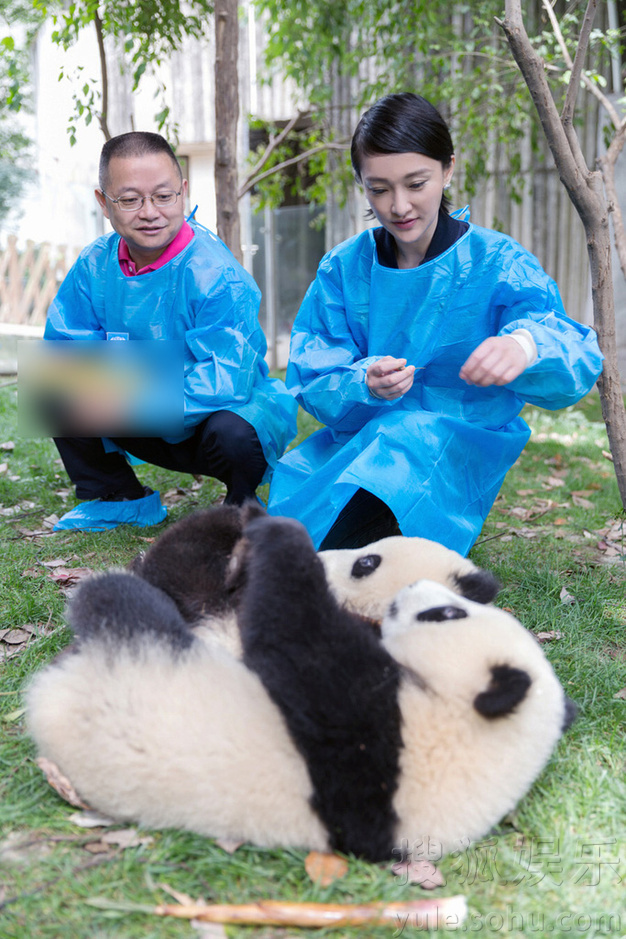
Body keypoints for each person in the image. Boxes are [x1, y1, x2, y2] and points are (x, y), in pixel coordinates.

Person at [267, 93, 603, 555]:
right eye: (379, 189)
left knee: (334, 546)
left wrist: (524, 346)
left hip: (456, 448)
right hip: (366, 443)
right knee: (290, 528)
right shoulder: (344, 268)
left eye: (416, 183)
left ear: (447, 169)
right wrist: (362, 380)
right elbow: (312, 371)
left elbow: (572, 353)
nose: (399, 206)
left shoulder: (498, 261)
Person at [43, 131, 297, 531]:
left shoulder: (217, 275)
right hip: (135, 407)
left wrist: (136, 396)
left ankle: (240, 503)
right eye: (129, 199)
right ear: (104, 203)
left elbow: (226, 378)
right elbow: (67, 346)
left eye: (164, 196)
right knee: (55, 379)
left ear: (183, 191)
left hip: (209, 421)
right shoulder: (95, 263)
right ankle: (115, 494)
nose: (149, 212)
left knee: (235, 433)